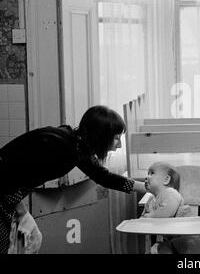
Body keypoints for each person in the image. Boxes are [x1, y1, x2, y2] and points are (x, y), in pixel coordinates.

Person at [0, 105, 146, 254]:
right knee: (14, 244)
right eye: (116, 138)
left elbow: (104, 177)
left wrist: (146, 187)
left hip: (10, 198)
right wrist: (20, 210)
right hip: (5, 195)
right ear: (102, 136)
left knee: (31, 240)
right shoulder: (61, 146)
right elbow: (11, 175)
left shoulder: (75, 145)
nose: (120, 145)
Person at [141, 162, 200, 254]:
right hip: (173, 241)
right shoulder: (151, 200)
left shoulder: (171, 193)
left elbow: (167, 211)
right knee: (162, 248)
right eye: (147, 174)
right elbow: (142, 218)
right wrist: (139, 221)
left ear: (166, 179)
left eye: (152, 173)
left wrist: (150, 215)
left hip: (191, 239)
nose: (147, 177)